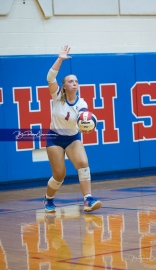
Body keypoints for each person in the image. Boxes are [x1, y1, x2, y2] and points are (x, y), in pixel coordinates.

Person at [44, 45, 102, 213]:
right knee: (59, 175)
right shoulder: (57, 98)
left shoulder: (81, 103)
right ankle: (48, 199)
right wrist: (60, 59)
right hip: (55, 137)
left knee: (83, 163)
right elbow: (50, 77)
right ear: (64, 86)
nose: (74, 83)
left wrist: (88, 122)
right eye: (71, 81)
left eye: (76, 81)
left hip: (72, 137)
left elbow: (85, 117)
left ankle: (88, 200)